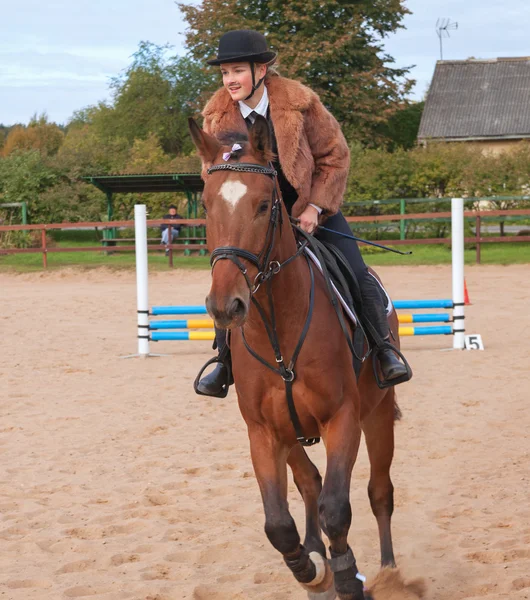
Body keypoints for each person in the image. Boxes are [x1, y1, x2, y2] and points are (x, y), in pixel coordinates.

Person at [196, 30, 410, 396]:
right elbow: (213, 174)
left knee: (357, 273)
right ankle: (223, 362)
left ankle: (384, 351)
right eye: (225, 73)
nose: (230, 80)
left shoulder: (302, 105)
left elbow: (335, 158)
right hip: (255, 221)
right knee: (228, 276)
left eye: (237, 71)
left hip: (311, 213)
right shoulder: (216, 118)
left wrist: (314, 207)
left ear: (261, 69)